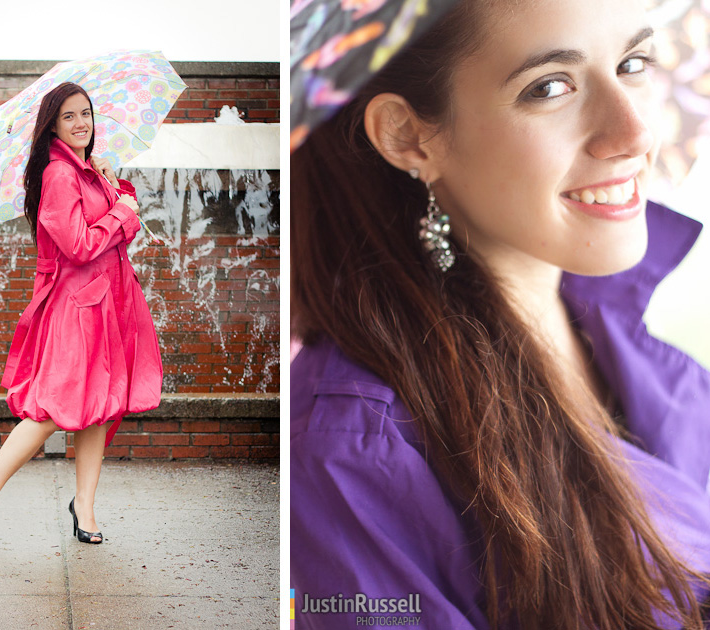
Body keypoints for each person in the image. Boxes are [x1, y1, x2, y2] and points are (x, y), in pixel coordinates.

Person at [290, 0, 710, 628]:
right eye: (549, 86)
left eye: (631, 62)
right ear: (408, 136)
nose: (635, 133)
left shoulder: (611, 316)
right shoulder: (350, 448)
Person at [0, 82, 162, 547]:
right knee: (50, 411)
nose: (81, 122)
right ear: (52, 124)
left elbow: (117, 232)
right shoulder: (59, 175)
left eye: (86, 113)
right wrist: (123, 210)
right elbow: (80, 245)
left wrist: (112, 182)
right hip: (78, 307)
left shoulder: (85, 171)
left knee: (100, 409)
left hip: (110, 301)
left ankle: (84, 506)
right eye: (69, 116)